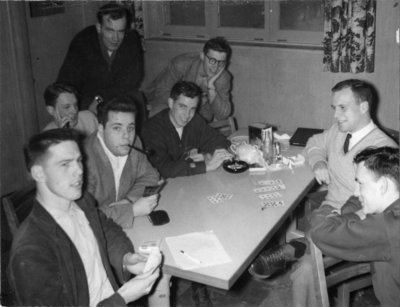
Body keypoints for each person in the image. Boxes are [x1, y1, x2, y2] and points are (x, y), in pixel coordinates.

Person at [248, 79, 398, 279]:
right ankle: (298, 247)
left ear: (363, 107)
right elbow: (314, 142)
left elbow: (381, 215)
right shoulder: (340, 129)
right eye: (334, 108)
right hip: (329, 209)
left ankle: (297, 248)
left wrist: (341, 217)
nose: (336, 115)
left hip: (356, 220)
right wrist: (319, 162)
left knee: (306, 272)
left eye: (342, 108)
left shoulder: (382, 150)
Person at [7, 129, 160, 306]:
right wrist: (122, 298)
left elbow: (105, 229)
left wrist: (125, 258)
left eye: (79, 160)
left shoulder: (81, 202)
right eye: (65, 164)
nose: (79, 170)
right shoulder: (31, 250)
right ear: (38, 173)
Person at [310, 146, 400, 307]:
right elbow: (355, 207)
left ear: (383, 186)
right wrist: (360, 212)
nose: (356, 193)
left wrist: (324, 211)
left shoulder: (387, 225)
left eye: (360, 183)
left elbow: (320, 231)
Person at [84, 96, 160, 229]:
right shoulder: (83, 161)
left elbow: (150, 176)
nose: (127, 136)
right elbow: (83, 217)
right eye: (117, 128)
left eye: (130, 128)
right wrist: (132, 210)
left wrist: (129, 200)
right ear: (101, 129)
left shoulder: (134, 142)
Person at [57, 2, 143, 111]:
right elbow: (66, 80)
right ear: (99, 27)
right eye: (110, 30)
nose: (115, 38)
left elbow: (130, 81)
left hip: (119, 99)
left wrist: (99, 99)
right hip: (86, 103)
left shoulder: (132, 40)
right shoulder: (82, 41)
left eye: (120, 31)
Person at [142, 81, 232, 179]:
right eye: (182, 107)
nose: (187, 115)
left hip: (190, 182)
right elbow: (163, 169)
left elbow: (221, 142)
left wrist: (207, 155)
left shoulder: (195, 120)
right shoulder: (152, 129)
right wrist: (206, 166)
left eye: (192, 109)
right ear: (171, 103)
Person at [145, 37, 233, 122]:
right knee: (157, 120)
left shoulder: (223, 78)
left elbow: (222, 115)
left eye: (221, 63)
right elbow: (161, 92)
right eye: (212, 60)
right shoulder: (181, 64)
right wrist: (192, 102)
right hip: (168, 104)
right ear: (202, 56)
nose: (216, 67)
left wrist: (212, 91)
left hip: (199, 114)